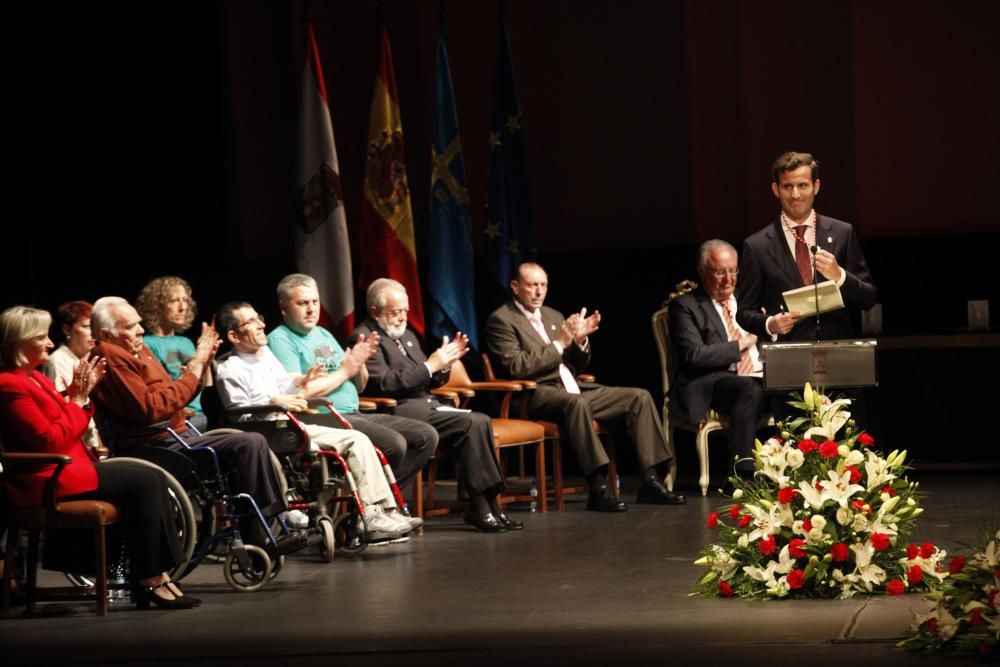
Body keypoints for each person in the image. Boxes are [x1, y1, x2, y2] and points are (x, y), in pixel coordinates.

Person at [0, 306, 196, 610]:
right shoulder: (9, 384)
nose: (50, 344)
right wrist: (78, 401)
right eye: (41, 337)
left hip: (68, 468)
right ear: (18, 342)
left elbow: (61, 418)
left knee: (152, 476)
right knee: (145, 480)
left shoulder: (33, 379)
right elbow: (47, 439)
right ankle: (151, 579)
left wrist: (82, 395)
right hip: (47, 478)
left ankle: (158, 576)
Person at [485, 262, 685, 511]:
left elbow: (575, 365)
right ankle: (598, 485)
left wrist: (579, 341)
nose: (539, 291)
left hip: (573, 388)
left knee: (638, 397)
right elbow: (516, 366)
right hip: (536, 395)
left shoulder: (553, 315)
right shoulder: (501, 320)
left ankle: (651, 480)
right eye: (532, 285)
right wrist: (558, 344)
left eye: (543, 285)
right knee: (577, 403)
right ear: (515, 287)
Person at [214, 301, 418, 541]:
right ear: (233, 335)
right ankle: (371, 516)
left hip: (289, 423)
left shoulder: (264, 355)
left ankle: (385, 510)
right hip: (270, 432)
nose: (261, 324)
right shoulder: (230, 369)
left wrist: (300, 381)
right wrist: (276, 400)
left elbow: (283, 386)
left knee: (359, 439)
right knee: (355, 440)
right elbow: (239, 413)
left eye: (259, 317)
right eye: (251, 322)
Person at [88, 296, 286, 543]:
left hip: (176, 435)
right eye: (130, 327)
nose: (140, 330)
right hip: (154, 445)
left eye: (138, 323)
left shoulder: (137, 349)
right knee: (249, 443)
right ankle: (255, 533)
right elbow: (151, 409)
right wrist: (196, 362)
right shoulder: (111, 355)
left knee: (248, 442)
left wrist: (200, 366)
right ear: (106, 334)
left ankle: (266, 524)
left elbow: (174, 396)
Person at [354, 278, 521, 533]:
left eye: (405, 311)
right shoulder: (365, 337)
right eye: (395, 312)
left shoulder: (407, 336)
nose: (402, 317)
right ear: (375, 311)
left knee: (481, 419)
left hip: (428, 404)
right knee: (470, 423)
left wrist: (443, 366)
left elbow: (427, 377)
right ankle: (480, 506)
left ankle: (490, 503)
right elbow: (383, 383)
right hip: (401, 411)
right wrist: (431, 365)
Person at [267, 274, 437, 497]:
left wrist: (360, 365)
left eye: (315, 302)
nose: (311, 309)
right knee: (394, 443)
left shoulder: (324, 334)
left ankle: (385, 501)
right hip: (319, 417)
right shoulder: (280, 339)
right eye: (303, 303)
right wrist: (345, 371)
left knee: (425, 435)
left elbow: (359, 387)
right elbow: (299, 393)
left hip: (353, 413)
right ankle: (375, 506)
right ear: (284, 308)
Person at [736, 151, 877, 342]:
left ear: (816, 186)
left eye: (802, 185)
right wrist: (770, 324)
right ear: (776, 189)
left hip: (839, 349)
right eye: (787, 186)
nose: (795, 194)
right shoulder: (757, 246)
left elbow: (868, 298)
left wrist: (839, 276)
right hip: (788, 356)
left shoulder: (842, 233)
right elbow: (744, 312)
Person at [668, 240, 766, 476]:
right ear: (703, 272)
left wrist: (770, 326)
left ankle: (799, 471)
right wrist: (745, 342)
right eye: (720, 272)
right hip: (714, 381)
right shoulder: (685, 306)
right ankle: (744, 474)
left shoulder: (750, 302)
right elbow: (694, 355)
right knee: (750, 388)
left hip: (763, 374)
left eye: (733, 271)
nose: (729, 279)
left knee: (798, 384)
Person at [135, 277, 207, 431]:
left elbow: (205, 384)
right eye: (174, 301)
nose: (182, 307)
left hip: (201, 414)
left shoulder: (186, 342)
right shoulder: (147, 344)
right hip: (179, 419)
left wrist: (207, 357)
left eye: (185, 300)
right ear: (156, 306)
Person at [42, 300, 103, 452]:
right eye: (86, 327)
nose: (93, 333)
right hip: (76, 444)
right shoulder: (57, 362)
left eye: (94, 327)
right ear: (67, 330)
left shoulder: (93, 357)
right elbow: (63, 409)